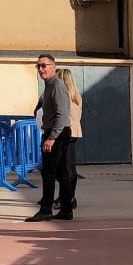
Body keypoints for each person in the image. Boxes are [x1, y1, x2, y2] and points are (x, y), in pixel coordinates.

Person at [26, 54, 74, 222]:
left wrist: (52, 137)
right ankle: (66, 209)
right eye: (38, 66)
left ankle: (46, 209)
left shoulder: (57, 86)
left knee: (49, 172)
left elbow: (62, 115)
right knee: (61, 173)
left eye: (44, 65)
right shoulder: (49, 85)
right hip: (54, 132)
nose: (41, 69)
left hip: (57, 134)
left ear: (53, 67)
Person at [55, 68, 82, 211]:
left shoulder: (63, 95)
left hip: (64, 132)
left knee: (64, 169)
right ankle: (69, 196)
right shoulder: (76, 95)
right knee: (71, 167)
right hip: (75, 132)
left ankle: (67, 197)